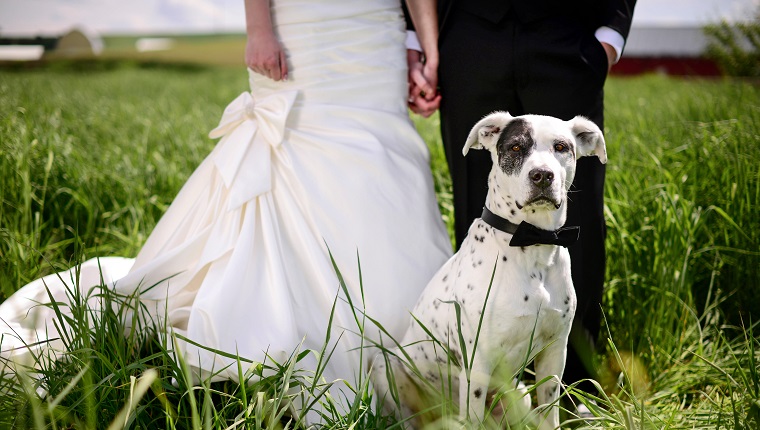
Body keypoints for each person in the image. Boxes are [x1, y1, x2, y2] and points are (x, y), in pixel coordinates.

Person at [0, 0, 452, 418]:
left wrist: (424, 46)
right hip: (306, 30)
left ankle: (414, 351)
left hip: (376, 33)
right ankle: (298, 329)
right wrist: (258, 28)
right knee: (303, 165)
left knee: (385, 172)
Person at [404, 0, 636, 399]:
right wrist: (419, 41)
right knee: (476, 208)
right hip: (469, 37)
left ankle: (578, 392)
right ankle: (493, 392)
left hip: (567, 38)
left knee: (577, 223)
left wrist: (609, 37)